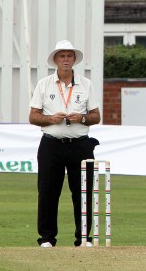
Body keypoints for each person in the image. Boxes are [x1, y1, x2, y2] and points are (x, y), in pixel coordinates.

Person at [29, 40, 101, 248]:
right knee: (48, 192)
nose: (66, 60)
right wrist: (51, 119)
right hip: (51, 144)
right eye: (62, 56)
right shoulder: (44, 84)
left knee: (83, 192)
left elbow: (96, 116)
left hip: (80, 145)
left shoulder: (86, 84)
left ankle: (84, 238)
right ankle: (47, 238)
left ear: (74, 59)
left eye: (69, 56)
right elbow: (33, 116)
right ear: (56, 60)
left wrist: (82, 118)